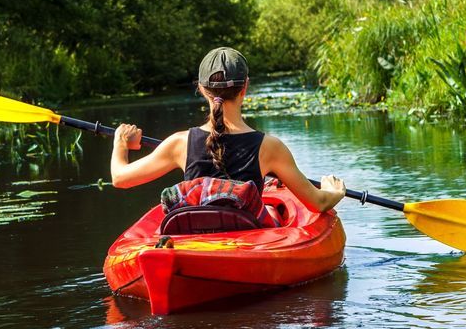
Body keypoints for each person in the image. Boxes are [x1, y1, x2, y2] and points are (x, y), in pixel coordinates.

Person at [110, 47, 347, 215]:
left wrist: (121, 143)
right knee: (273, 212)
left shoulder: (179, 143)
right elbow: (317, 203)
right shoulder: (270, 147)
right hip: (247, 239)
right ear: (245, 88)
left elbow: (120, 179)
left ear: (202, 89)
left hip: (198, 238)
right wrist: (333, 191)